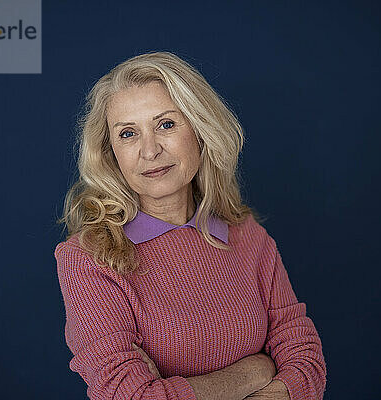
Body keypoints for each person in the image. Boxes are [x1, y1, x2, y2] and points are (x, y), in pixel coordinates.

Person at [54, 51, 327, 399]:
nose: (149, 150)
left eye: (166, 124)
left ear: (200, 130)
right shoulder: (88, 258)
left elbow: (307, 363)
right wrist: (255, 370)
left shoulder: (249, 237)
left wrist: (175, 389)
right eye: (128, 133)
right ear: (111, 154)